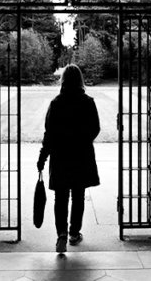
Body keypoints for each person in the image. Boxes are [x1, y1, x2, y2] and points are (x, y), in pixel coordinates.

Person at [37, 64, 101, 253]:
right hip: (81, 155)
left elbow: (49, 133)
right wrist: (83, 141)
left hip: (60, 155)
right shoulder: (88, 102)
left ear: (63, 80)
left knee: (61, 196)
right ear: (80, 79)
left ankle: (61, 234)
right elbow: (95, 128)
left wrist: (42, 157)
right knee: (78, 195)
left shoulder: (56, 103)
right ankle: (74, 232)